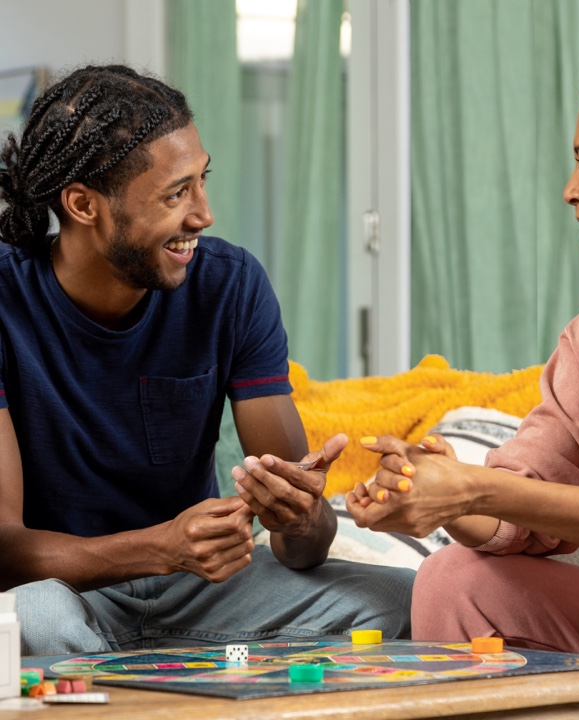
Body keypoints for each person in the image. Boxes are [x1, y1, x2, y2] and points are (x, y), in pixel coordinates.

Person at [346, 47, 579, 719]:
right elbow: (536, 488)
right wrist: (443, 496)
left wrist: (482, 488)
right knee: (454, 581)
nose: (570, 190)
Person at [0, 63, 413, 655]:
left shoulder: (230, 285)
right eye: (176, 193)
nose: (203, 214)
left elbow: (304, 549)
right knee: (35, 619)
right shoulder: (6, 299)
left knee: (407, 600)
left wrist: (300, 517)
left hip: (199, 588)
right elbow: (3, 550)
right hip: (66, 586)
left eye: (202, 180)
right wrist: (160, 546)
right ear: (83, 204)